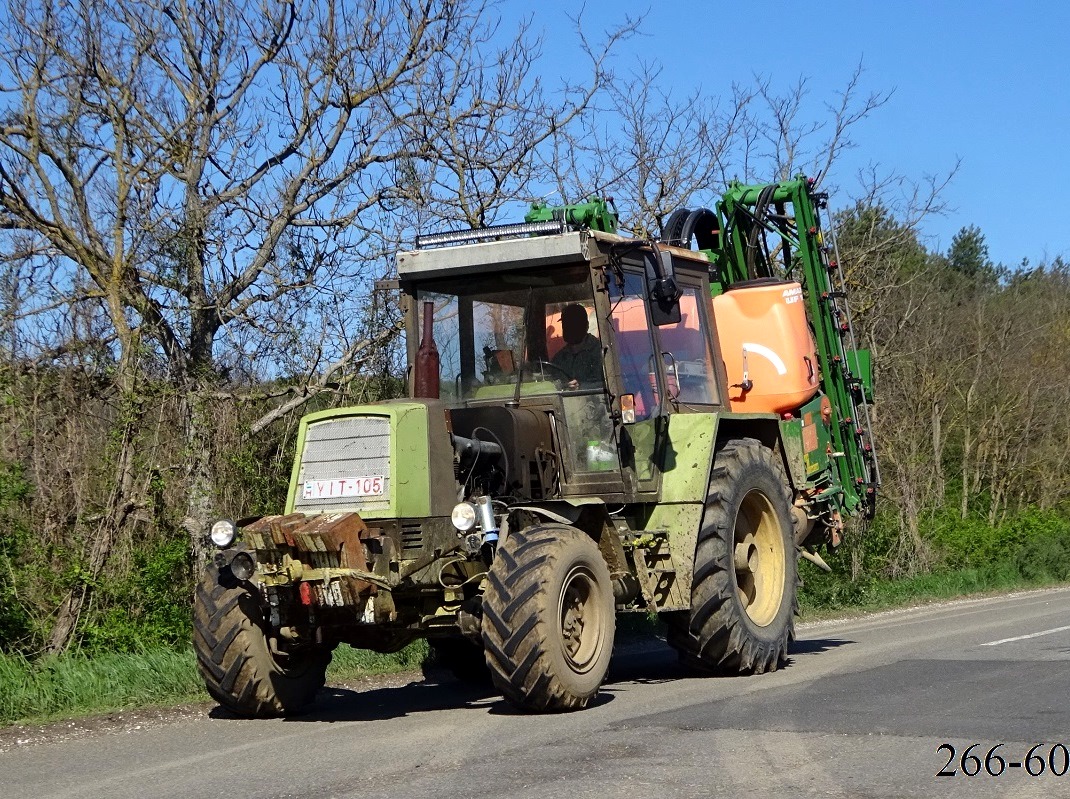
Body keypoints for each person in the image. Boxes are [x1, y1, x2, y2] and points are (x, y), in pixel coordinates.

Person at [551, 304, 603, 389]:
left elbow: (609, 384)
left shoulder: (599, 352)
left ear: (586, 326)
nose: (569, 328)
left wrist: (581, 386)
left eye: (574, 323)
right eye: (565, 324)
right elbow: (551, 382)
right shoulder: (559, 358)